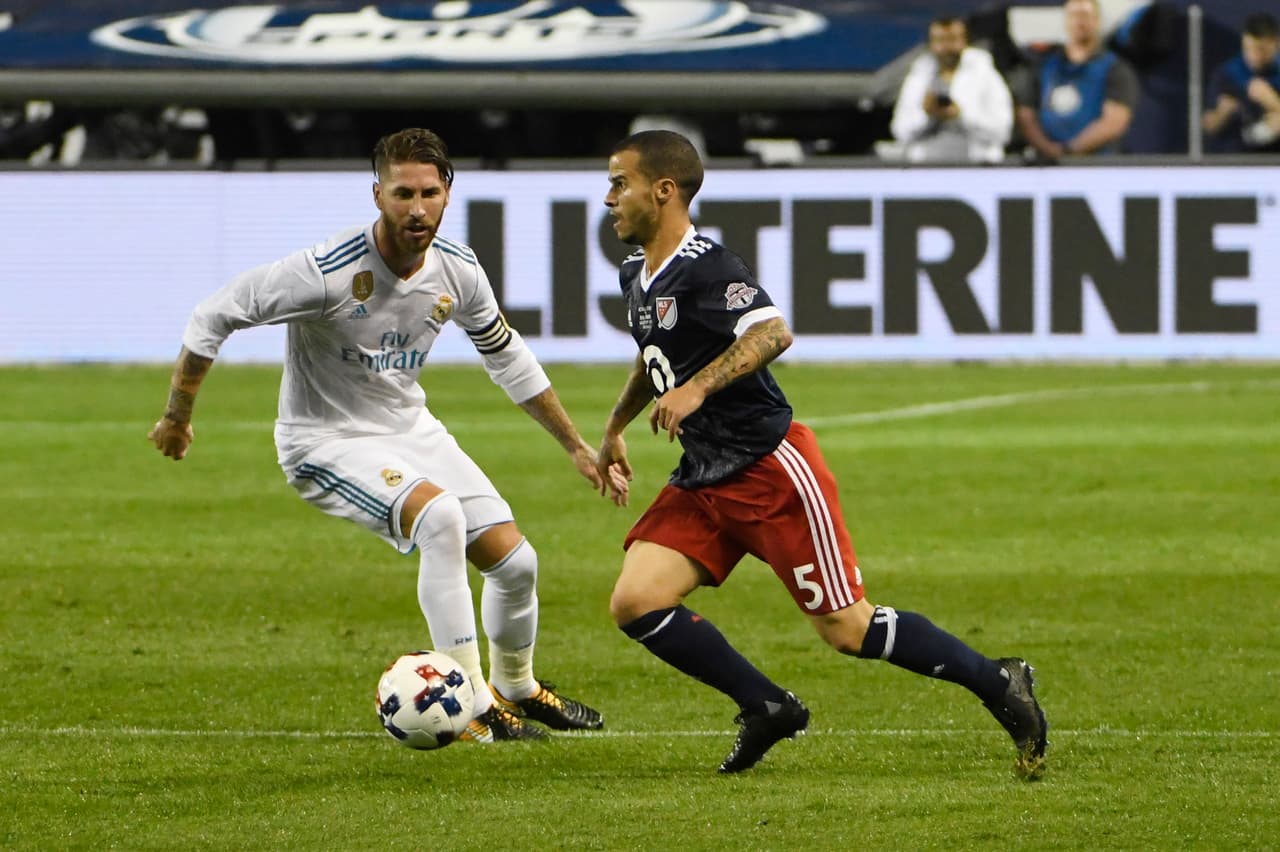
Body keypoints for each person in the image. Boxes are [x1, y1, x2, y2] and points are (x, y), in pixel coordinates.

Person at [148, 127, 627, 742]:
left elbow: (506, 355)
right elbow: (214, 314)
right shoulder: (326, 272)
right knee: (441, 519)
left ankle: (518, 687)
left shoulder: (458, 269)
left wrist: (574, 444)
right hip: (325, 441)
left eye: (429, 192)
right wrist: (177, 415)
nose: (417, 207)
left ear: (448, 193)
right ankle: (474, 708)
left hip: (409, 429)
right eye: (403, 193)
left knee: (516, 564)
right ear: (377, 195)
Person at [593, 130, 1048, 777]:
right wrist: (615, 425)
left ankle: (999, 680)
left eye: (619, 182)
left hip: (770, 469)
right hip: (703, 476)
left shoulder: (707, 262)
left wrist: (698, 388)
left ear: (663, 191)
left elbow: (773, 330)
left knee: (849, 631)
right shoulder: (634, 273)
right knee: (636, 601)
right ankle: (767, 706)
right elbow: (654, 351)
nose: (609, 198)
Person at [1014, 0, 1139, 159]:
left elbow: (1114, 123)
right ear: (1066, 20)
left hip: (1099, 165)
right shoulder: (1044, 66)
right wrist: (1048, 150)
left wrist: (1069, 151)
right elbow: (1026, 115)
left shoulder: (1116, 70)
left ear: (1097, 20)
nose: (1080, 21)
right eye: (1074, 15)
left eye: (1085, 15)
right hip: (1048, 166)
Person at [888, 16, 1014, 164]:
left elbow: (1002, 132)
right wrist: (928, 116)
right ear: (930, 44)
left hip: (977, 167)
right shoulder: (919, 75)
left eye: (953, 39)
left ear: (965, 41)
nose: (947, 46)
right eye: (940, 40)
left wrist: (961, 116)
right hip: (927, 168)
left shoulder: (985, 74)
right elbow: (900, 131)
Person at [1202, 12, 1280, 154]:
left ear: (1275, 43)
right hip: (1236, 159)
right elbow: (1207, 126)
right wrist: (1222, 113)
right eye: (1249, 48)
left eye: (1261, 49)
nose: (1255, 56)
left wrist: (1273, 102)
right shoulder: (1227, 74)